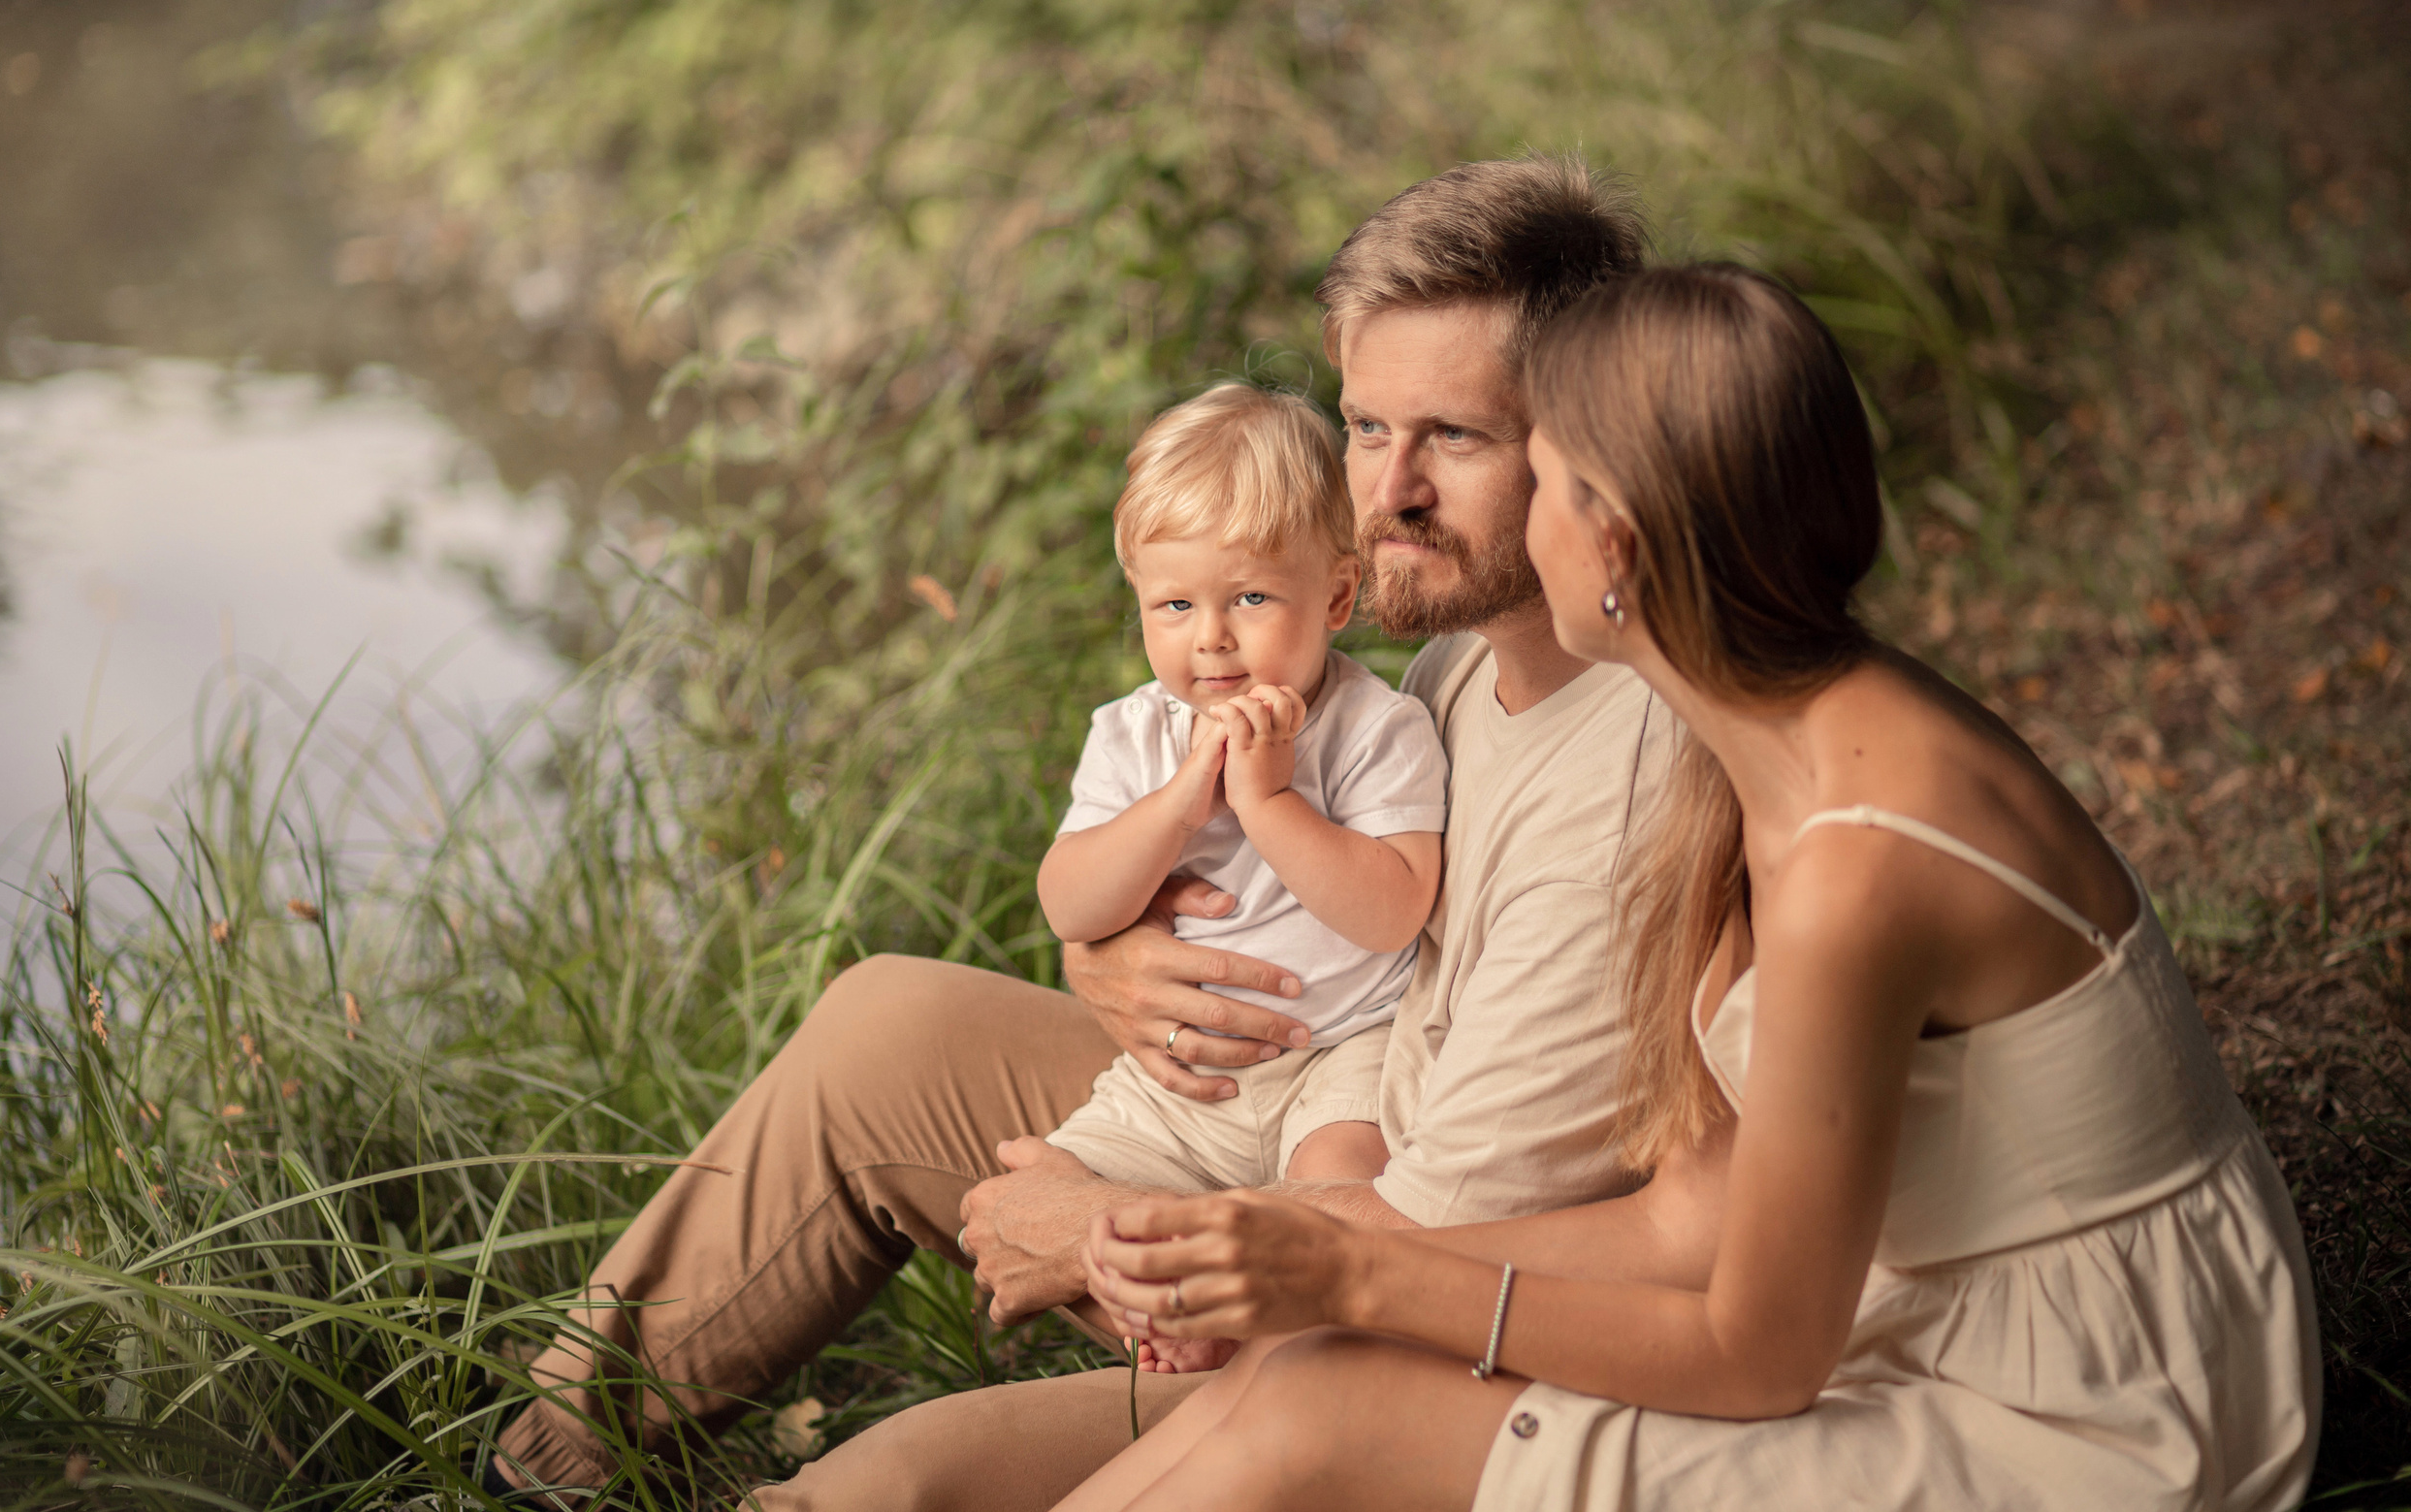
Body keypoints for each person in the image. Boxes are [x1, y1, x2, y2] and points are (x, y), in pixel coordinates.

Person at [488, 155, 1663, 1508]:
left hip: (1389, 1320)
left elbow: (1436, 1263)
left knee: (883, 1489)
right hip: (1265, 1102)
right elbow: (1252, 890)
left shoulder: (1623, 789)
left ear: (1589, 445)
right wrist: (1112, 965)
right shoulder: (1461, 656)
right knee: (883, 1024)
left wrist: (1098, 1231)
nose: (1383, 489)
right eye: (1363, 425)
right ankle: (546, 1466)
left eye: (1454, 437)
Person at [1063, 263, 2321, 1511]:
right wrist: (1337, 1251)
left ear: (1615, 542)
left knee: (1322, 1398)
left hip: (2078, 1405)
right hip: (1917, 1296)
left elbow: (1760, 1353)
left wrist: (1353, 1273)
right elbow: (1686, 1221)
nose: (1410, 498)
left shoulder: (1849, 852)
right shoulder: (1756, 721)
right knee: (1309, 1379)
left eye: (1535, 476)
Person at [1037, 381, 1449, 1372]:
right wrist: (1181, 801)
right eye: (1173, 605)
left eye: (1250, 598)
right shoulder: (1134, 736)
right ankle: (1173, 1311)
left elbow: (1394, 908)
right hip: (1183, 1081)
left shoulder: (1377, 729)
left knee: (1345, 1185)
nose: (1209, 636)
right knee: (1054, 1177)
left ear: (1338, 598)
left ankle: (1261, 1339)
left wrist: (1269, 803)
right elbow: (1069, 901)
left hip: (1338, 1053)